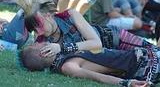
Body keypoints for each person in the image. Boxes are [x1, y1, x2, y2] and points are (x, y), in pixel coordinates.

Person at [15, 0, 155, 56]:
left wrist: (62, 48)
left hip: (113, 38)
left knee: (153, 51)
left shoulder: (71, 15)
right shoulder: (40, 39)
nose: (38, 32)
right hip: (107, 57)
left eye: (38, 25)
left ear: (48, 16)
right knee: (143, 59)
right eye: (34, 29)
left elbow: (96, 43)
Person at [16, 42, 160, 86]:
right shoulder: (67, 66)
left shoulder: (64, 54)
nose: (41, 42)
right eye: (38, 44)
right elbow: (99, 78)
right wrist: (127, 83)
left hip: (145, 55)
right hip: (145, 65)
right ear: (43, 53)